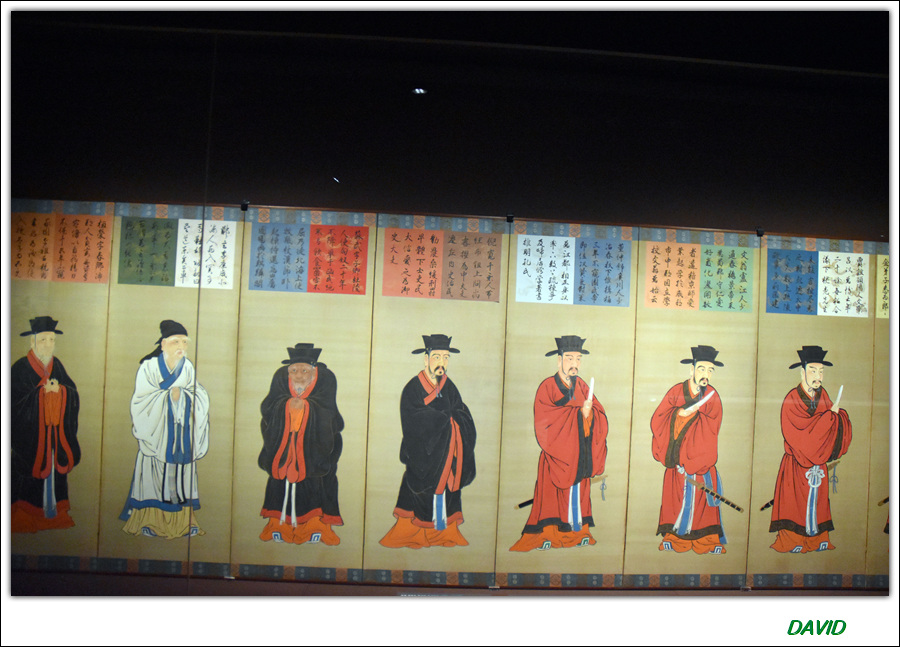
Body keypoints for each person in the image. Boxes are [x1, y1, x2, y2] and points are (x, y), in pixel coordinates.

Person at [510, 336, 608, 551]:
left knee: (579, 496)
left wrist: (590, 415)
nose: (575, 364)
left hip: (579, 455)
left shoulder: (582, 385)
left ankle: (579, 533)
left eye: (578, 359)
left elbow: (599, 414)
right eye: (570, 358)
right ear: (559, 360)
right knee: (551, 497)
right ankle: (549, 535)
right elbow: (545, 420)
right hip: (556, 456)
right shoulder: (547, 386)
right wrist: (578, 414)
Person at [380, 334, 477, 548]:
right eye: (437, 357)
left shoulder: (449, 387)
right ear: (426, 359)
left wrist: (455, 423)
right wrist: (443, 420)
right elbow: (412, 420)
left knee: (449, 492)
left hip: (448, 453)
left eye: (446, 357)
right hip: (423, 455)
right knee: (419, 493)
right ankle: (414, 535)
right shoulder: (412, 388)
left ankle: (445, 534)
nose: (442, 362)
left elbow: (461, 412)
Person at [120, 320, 210, 538]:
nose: (181, 346)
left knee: (182, 479)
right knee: (154, 478)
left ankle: (184, 524)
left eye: (184, 342)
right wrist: (169, 397)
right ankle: (150, 522)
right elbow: (141, 401)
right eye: (175, 341)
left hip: (181, 435)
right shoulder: (148, 368)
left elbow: (199, 394)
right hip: (157, 435)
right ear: (163, 344)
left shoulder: (187, 367)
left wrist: (185, 397)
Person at [258, 343, 344, 545]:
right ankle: (278, 525)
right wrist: (287, 407)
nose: (298, 376)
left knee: (315, 484)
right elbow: (268, 409)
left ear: (314, 372)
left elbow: (330, 414)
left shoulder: (325, 382)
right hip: (283, 448)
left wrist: (306, 409)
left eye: (304, 371)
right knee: (278, 483)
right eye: (294, 371)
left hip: (315, 450)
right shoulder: (280, 381)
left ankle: (315, 526)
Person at [769, 345, 852, 553]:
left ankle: (817, 540)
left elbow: (831, 426)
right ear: (802, 372)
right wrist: (830, 417)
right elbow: (800, 434)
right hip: (796, 463)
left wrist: (837, 417)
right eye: (813, 371)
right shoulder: (792, 399)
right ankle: (792, 540)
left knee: (819, 503)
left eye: (821, 371)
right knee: (794, 503)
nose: (818, 376)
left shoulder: (823, 395)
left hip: (818, 465)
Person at [650, 345, 727, 554]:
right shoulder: (676, 392)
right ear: (691, 369)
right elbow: (658, 420)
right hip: (679, 465)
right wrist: (678, 416)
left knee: (704, 508)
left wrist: (694, 417)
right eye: (702, 369)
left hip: (701, 463)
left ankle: (708, 541)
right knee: (675, 502)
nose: (706, 374)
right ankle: (674, 538)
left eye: (710, 370)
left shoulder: (712, 396)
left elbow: (712, 427)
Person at [11, 316, 81, 533]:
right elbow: (14, 405)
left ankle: (55, 513)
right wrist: (42, 394)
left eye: (51, 340)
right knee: (27, 478)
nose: (48, 345)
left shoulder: (56, 365)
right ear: (32, 342)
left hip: (55, 436)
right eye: (43, 340)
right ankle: (24, 515)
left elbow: (72, 393)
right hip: (31, 438)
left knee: (55, 475)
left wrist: (60, 392)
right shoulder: (20, 368)